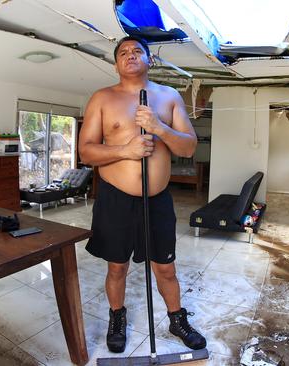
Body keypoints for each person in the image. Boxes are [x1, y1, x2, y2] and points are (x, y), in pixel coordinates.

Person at [78, 35, 206, 353]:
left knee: (165, 267)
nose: (130, 55)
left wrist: (159, 127)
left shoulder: (169, 96)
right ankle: (116, 318)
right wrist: (126, 149)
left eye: (138, 51)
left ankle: (177, 319)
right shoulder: (102, 98)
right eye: (123, 52)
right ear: (116, 63)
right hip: (115, 199)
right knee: (117, 266)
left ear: (150, 60)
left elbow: (189, 147)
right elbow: (86, 153)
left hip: (158, 199)